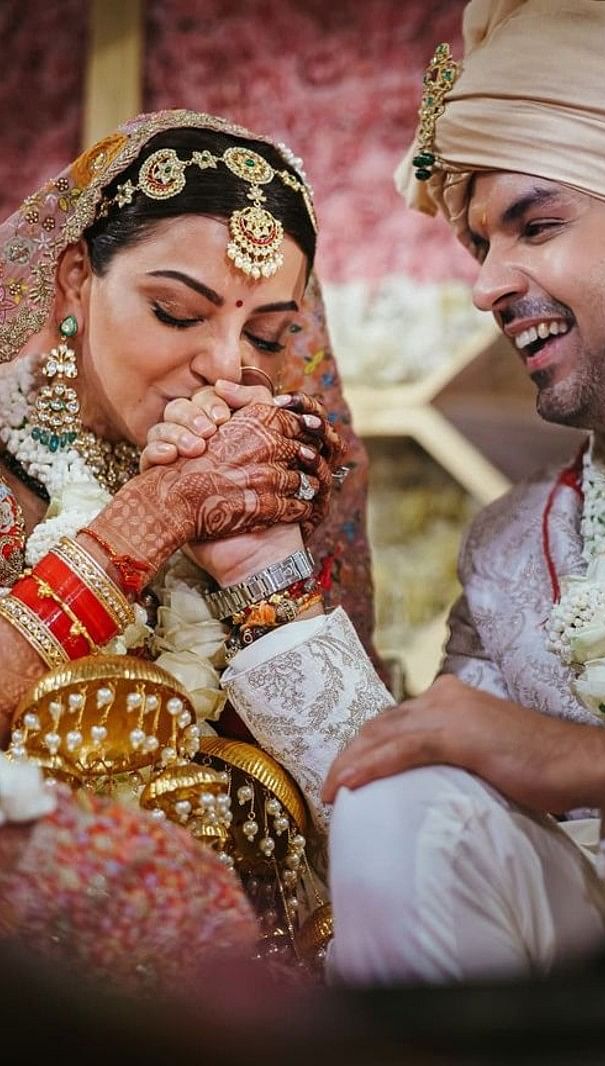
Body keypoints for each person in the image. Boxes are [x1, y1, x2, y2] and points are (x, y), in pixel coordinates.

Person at [312, 0, 605, 983]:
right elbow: (391, 783)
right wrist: (259, 572)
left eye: (534, 225)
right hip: (604, 1007)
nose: (487, 286)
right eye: (481, 247)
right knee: (398, 804)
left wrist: (595, 762)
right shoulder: (515, 545)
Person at [0, 108, 380, 988]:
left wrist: (262, 568)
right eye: (176, 311)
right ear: (74, 282)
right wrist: (151, 517)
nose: (226, 365)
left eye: (267, 335)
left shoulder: (265, 487)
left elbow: (366, 796)